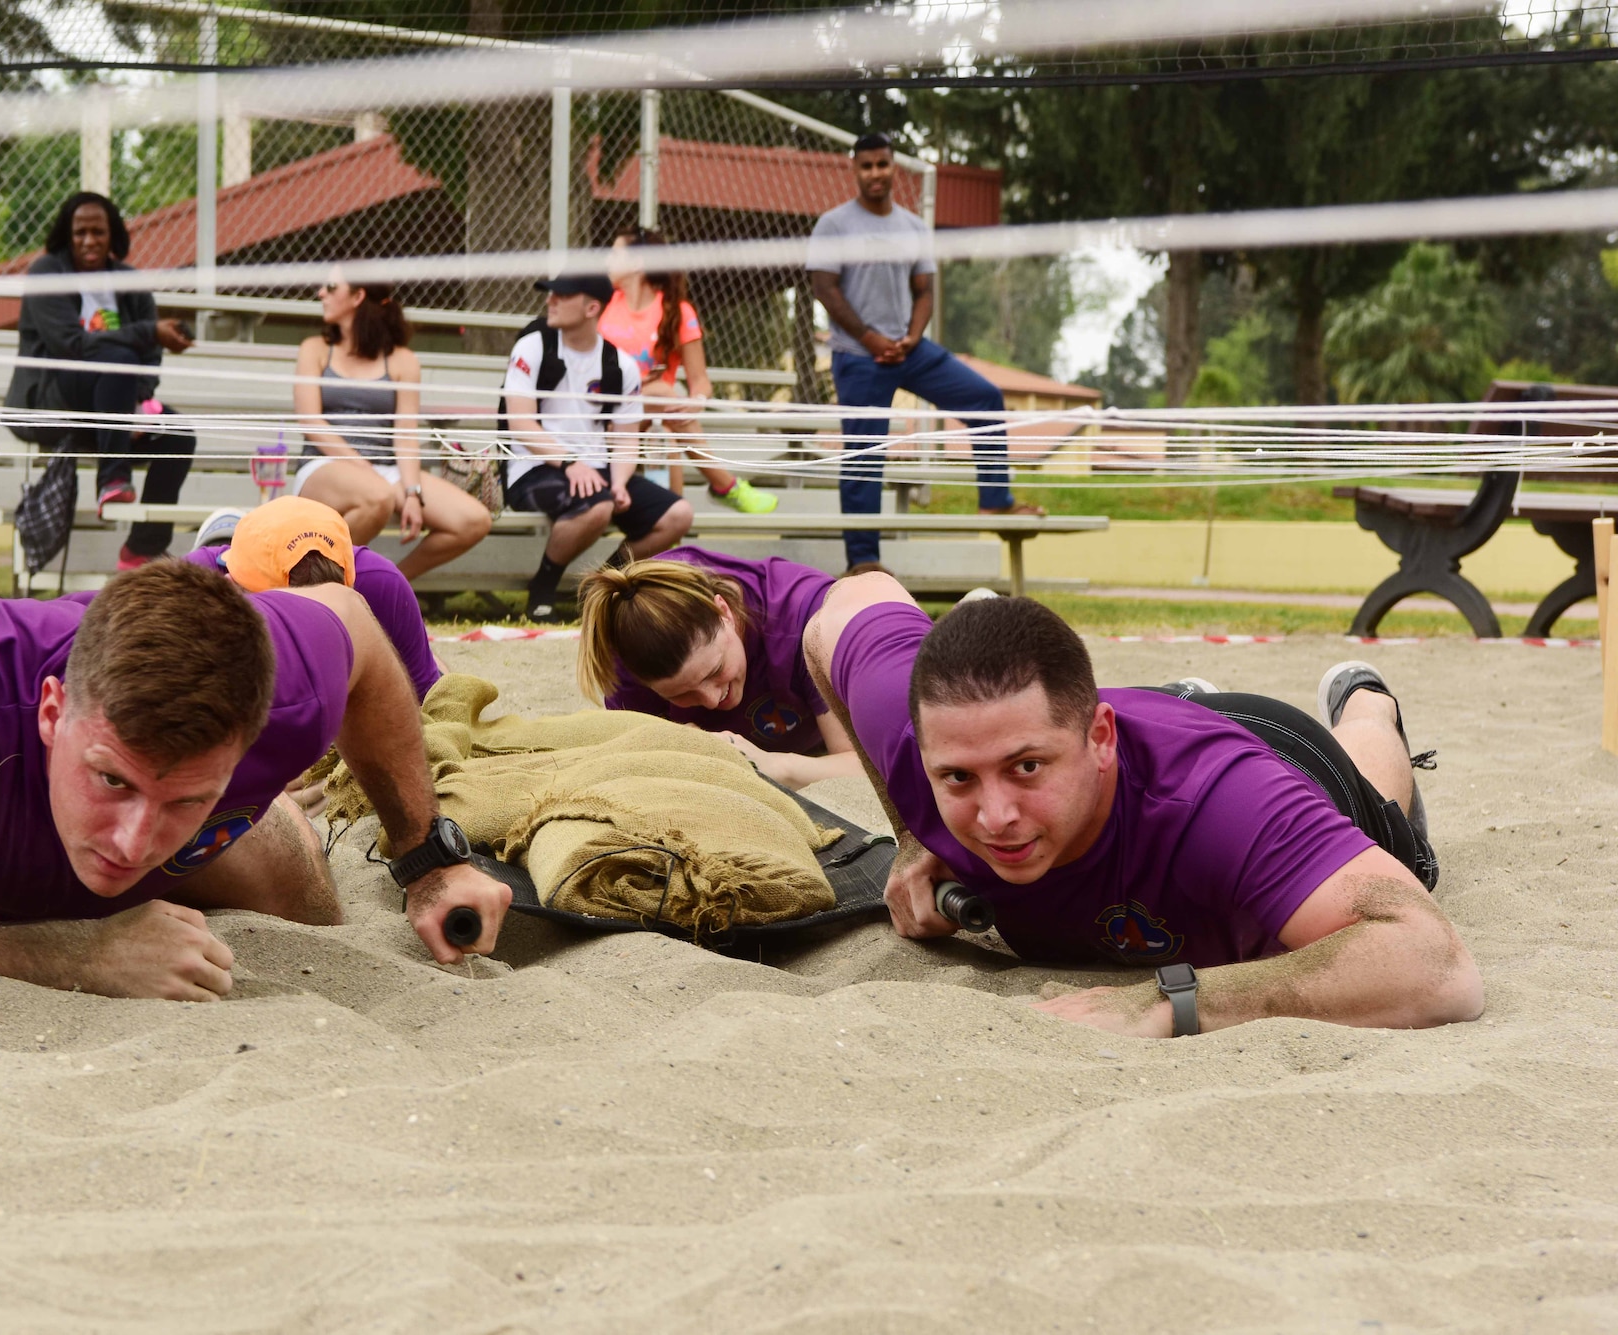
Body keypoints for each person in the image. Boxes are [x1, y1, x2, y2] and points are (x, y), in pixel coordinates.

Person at [0, 561, 513, 996]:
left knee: (306, 891)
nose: (133, 840)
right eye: (110, 779)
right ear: (51, 712)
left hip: (219, 847)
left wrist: (428, 861)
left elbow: (356, 628)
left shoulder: (291, 687)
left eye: (186, 796)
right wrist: (80, 955)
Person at [801, 580, 1482, 1036]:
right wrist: (913, 831)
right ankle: (1168, 700)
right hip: (1133, 720)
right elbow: (838, 612)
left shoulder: (1225, 807)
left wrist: (1170, 1000)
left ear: (1099, 739)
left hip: (1282, 759)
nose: (996, 815)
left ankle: (1368, 703)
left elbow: (1437, 962)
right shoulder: (927, 728)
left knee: (1387, 818)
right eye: (957, 780)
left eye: (1025, 768)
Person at [808, 132, 1041, 573]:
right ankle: (863, 561)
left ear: (895, 167)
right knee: (864, 450)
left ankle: (995, 501)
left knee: (984, 399)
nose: (876, 173)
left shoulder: (913, 226)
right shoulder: (834, 224)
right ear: (854, 169)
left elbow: (925, 290)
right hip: (858, 355)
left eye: (883, 164)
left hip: (910, 349)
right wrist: (871, 338)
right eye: (867, 165)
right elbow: (825, 289)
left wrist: (912, 336)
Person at [7, 191, 195, 570]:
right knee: (118, 356)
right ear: (67, 234)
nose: (89, 240)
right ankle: (113, 478)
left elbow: (151, 355)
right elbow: (70, 344)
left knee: (179, 434)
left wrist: (139, 404)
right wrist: (148, 331)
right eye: (80, 232)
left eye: (98, 231)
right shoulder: (47, 273)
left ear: (113, 236)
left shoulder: (129, 281)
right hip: (55, 402)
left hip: (114, 410)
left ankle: (143, 551)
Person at [576, 547, 860, 789]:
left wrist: (773, 766)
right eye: (680, 694)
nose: (712, 701)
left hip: (814, 741)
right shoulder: (628, 649)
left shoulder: (810, 624)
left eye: (715, 671)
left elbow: (863, 768)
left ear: (724, 612)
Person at [503, 273, 693, 623]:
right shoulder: (532, 346)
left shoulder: (620, 365)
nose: (550, 302)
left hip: (597, 470)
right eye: (551, 295)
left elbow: (625, 435)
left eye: (562, 295)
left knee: (678, 515)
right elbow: (520, 423)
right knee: (597, 506)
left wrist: (620, 481)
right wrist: (570, 463)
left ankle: (600, 587)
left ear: (592, 308)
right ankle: (542, 590)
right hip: (532, 467)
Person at [290, 271, 491, 580]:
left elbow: (405, 434)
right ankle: (315, 583)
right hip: (323, 465)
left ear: (357, 297)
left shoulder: (403, 361)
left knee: (474, 519)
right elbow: (311, 422)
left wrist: (412, 493)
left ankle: (388, 583)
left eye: (330, 287)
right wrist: (362, 467)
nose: (320, 293)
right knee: (378, 496)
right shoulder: (314, 349)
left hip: (382, 471)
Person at [185, 498, 442, 703]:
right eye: (286, 621)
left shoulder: (379, 584)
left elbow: (427, 696)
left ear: (349, 589)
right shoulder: (197, 584)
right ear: (232, 583)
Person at [601, 226, 778, 514]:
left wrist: (694, 404)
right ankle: (725, 486)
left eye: (615, 254)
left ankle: (668, 528)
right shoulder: (602, 303)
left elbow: (700, 382)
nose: (607, 261)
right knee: (661, 394)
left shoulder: (677, 312)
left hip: (653, 419)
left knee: (667, 425)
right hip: (603, 418)